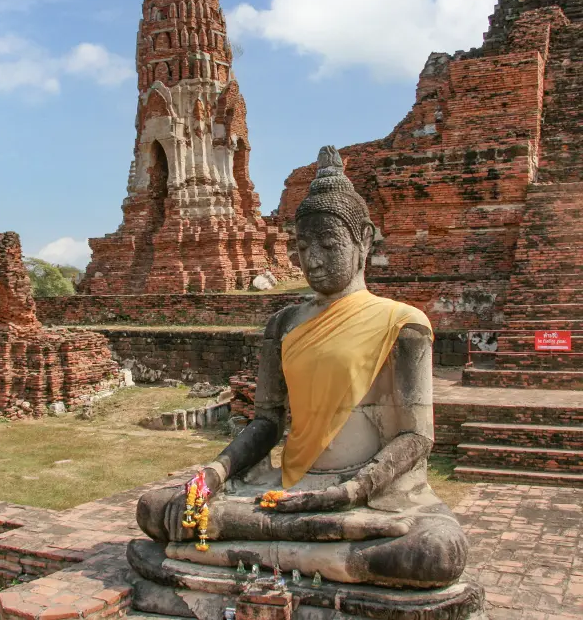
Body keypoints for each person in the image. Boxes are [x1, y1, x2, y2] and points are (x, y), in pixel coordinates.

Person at [135, 146, 468, 589]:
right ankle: (325, 547)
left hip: (366, 490)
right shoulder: (284, 324)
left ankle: (306, 538)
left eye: (329, 245)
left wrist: (351, 491)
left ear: (364, 240)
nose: (311, 260)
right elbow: (267, 422)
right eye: (303, 246)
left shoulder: (403, 323)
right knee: (159, 509)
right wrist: (214, 473)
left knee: (435, 553)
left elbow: (417, 435)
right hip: (289, 488)